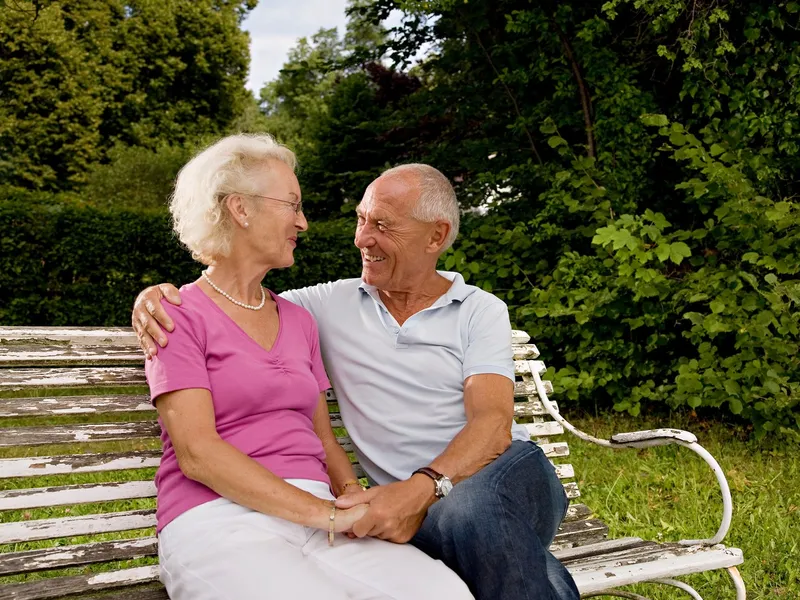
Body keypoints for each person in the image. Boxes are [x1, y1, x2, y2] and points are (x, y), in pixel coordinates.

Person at [133, 161, 580, 600]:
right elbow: (231, 304)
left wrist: (418, 490)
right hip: (392, 508)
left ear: (436, 236)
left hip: (500, 472)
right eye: (362, 220)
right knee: (478, 546)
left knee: (472, 510)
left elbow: (492, 426)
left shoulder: (479, 309)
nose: (362, 238)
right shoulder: (322, 306)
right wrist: (152, 297)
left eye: (382, 225)